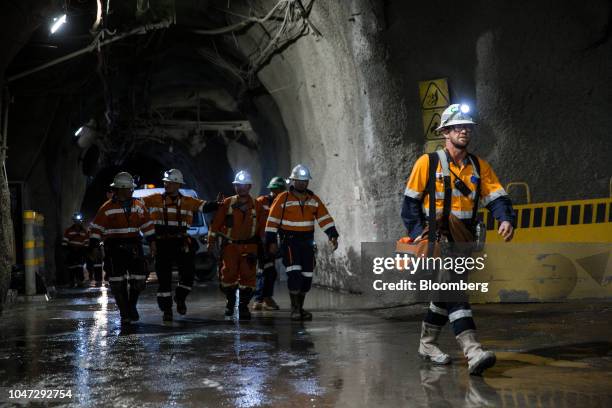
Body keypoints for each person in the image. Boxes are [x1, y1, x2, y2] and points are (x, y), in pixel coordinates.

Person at [401, 103, 515, 375]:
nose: (464, 131)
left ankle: (426, 343)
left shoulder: (479, 166)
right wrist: (420, 237)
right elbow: (409, 205)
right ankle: (472, 350)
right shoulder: (426, 164)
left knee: (445, 293)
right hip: (438, 240)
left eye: (467, 127)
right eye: (457, 127)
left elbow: (497, 197)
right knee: (456, 293)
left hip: (464, 239)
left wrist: (505, 218)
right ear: (445, 132)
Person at [142, 168, 220, 322]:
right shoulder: (154, 199)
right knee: (164, 279)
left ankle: (180, 297)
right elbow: (135, 203)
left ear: (178, 185)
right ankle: (167, 311)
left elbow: (204, 206)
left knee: (188, 275)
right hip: (162, 243)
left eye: (170, 183)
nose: (167, 185)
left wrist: (218, 204)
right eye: (166, 182)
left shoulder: (188, 202)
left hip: (181, 242)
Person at [265, 164, 339, 321]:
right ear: (293, 181)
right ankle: (295, 309)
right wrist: (271, 241)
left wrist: (332, 235)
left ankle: (300, 307)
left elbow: (324, 218)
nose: (303, 183)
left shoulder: (313, 199)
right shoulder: (283, 198)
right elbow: (272, 221)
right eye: (299, 180)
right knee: (294, 274)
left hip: (307, 243)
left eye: (305, 181)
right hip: (290, 243)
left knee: (307, 277)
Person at [90, 172, 156, 325]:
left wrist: (152, 243)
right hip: (114, 248)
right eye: (129, 188)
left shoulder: (138, 205)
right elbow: (96, 228)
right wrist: (93, 247)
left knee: (139, 280)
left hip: (134, 245)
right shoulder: (106, 208)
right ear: (120, 189)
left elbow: (147, 225)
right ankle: (125, 312)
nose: (131, 191)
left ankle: (131, 306)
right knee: (117, 283)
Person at [208, 170, 266, 321]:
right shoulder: (227, 203)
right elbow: (215, 225)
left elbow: (262, 227)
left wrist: (266, 244)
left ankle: (244, 306)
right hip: (230, 247)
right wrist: (210, 242)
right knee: (228, 275)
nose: (240, 188)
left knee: (248, 276)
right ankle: (230, 301)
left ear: (249, 186)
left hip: (250, 246)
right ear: (235, 187)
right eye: (237, 185)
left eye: (243, 185)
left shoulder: (257, 206)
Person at [252, 176, 287, 311]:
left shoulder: (284, 203)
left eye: (280, 190)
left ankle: (260, 299)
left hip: (273, 241)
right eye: (276, 190)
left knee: (267, 270)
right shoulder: (262, 202)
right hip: (262, 241)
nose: (278, 192)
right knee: (267, 270)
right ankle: (263, 298)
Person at [62, 212, 89, 288]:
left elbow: (86, 242)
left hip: (80, 251)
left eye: (79, 221)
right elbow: (65, 241)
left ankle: (80, 281)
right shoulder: (69, 230)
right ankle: (71, 282)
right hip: (71, 251)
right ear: (74, 221)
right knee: (71, 267)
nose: (78, 223)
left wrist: (84, 251)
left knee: (79, 267)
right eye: (76, 221)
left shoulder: (84, 231)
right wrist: (66, 250)